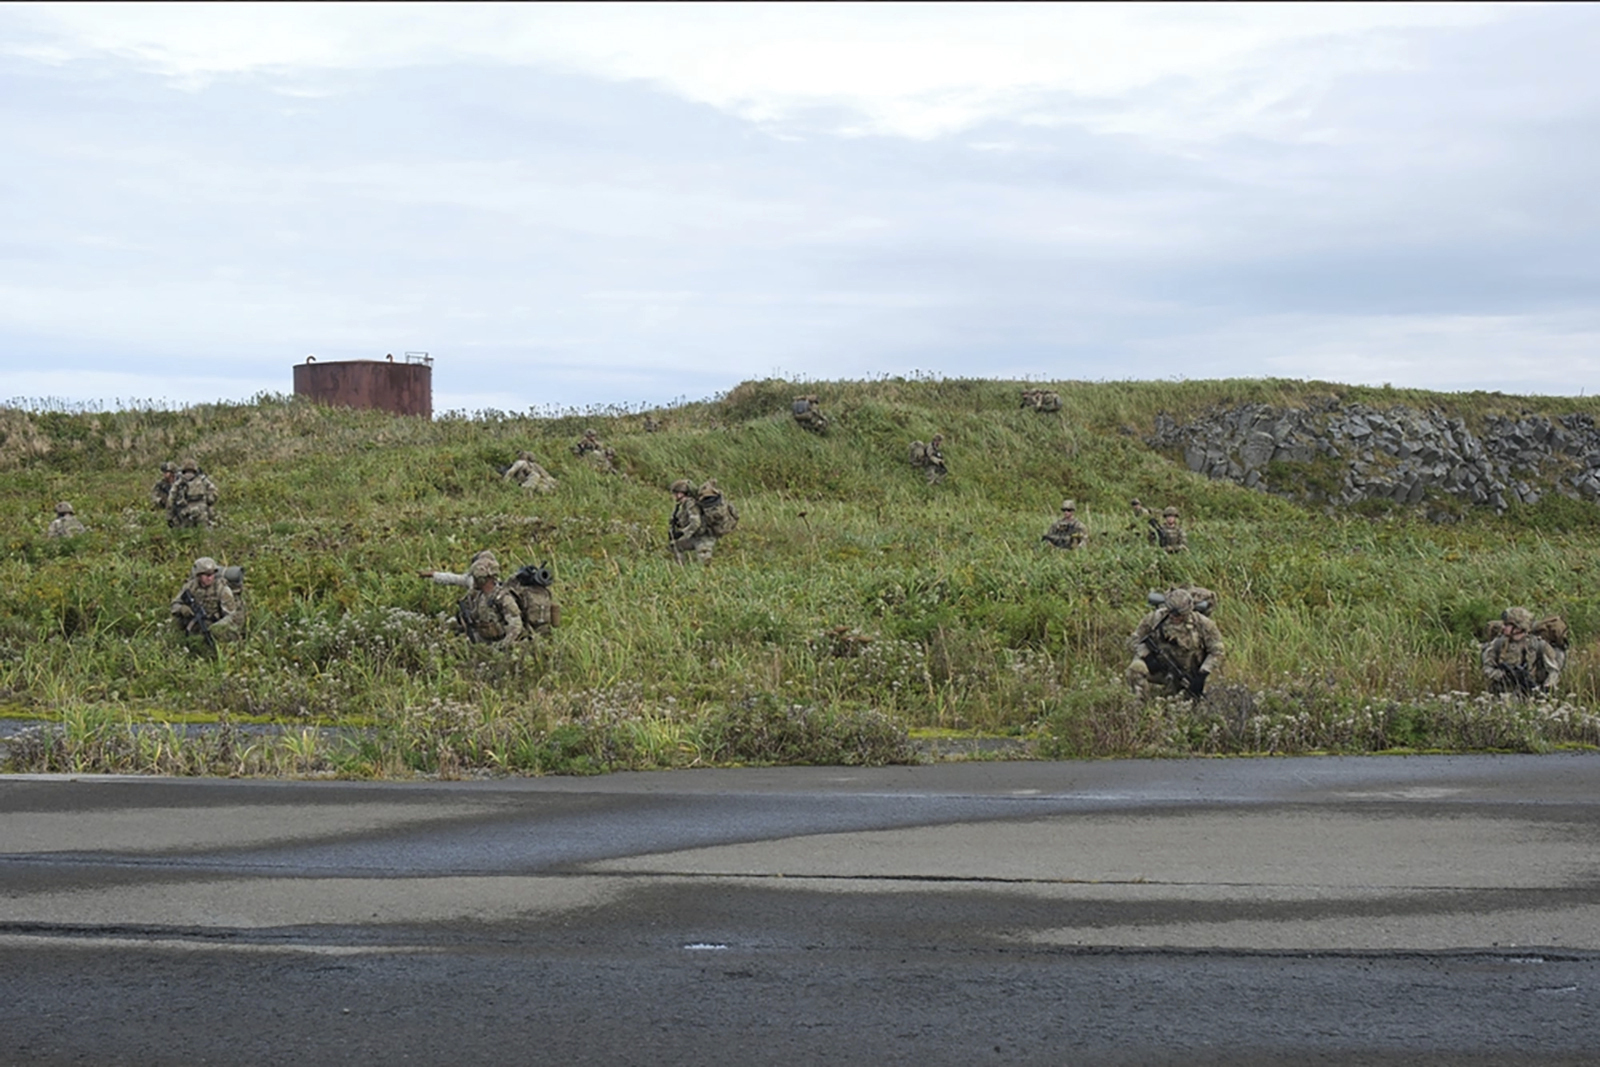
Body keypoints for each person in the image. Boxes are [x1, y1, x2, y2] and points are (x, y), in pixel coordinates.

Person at [1127, 587, 1223, 699]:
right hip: (1161, 669)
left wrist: (1203, 674)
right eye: (1171, 613)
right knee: (1135, 668)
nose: (1175, 617)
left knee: (1202, 695)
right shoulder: (1155, 618)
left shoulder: (1203, 624)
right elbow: (1134, 640)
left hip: (1191, 673)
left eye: (1180, 615)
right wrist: (1147, 655)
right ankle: (1141, 706)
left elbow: (1217, 651)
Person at [1482, 606, 1562, 695]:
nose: (1503, 627)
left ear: (1518, 627)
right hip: (1503, 694)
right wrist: (1502, 676)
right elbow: (1487, 668)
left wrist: (1547, 688)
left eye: (1507, 625)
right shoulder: (1498, 644)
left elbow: (1553, 671)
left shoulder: (1539, 645)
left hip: (1531, 694)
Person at [169, 556, 242, 644]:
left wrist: (216, 627)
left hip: (213, 623)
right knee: (174, 624)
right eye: (206, 575)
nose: (210, 578)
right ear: (199, 575)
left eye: (212, 574)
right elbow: (174, 605)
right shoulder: (190, 586)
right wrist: (182, 609)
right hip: (194, 622)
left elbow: (231, 616)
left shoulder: (222, 589)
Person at [455, 555, 524, 645]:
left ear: (482, 579)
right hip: (485, 641)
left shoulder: (503, 597)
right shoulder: (480, 596)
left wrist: (503, 645)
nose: (474, 581)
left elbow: (516, 625)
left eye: (475, 578)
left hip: (500, 643)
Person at [668, 478, 714, 564]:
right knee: (675, 546)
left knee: (705, 565)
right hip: (697, 537)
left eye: (675, 493)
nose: (674, 496)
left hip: (704, 539)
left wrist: (682, 533)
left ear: (680, 494)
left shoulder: (691, 504)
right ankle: (680, 569)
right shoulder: (684, 505)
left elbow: (696, 522)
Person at [167, 459, 218, 528]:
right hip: (202, 512)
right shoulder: (203, 480)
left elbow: (170, 500)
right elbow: (214, 493)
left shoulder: (179, 482)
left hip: (184, 514)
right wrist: (208, 502)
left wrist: (170, 517)